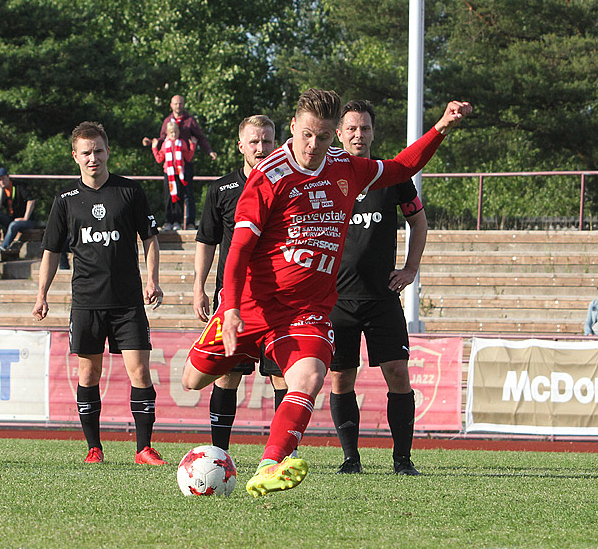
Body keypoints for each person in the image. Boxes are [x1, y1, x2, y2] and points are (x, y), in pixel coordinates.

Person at [181, 89, 471, 497]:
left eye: (322, 137)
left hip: (307, 309)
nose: (314, 146)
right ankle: (244, 348)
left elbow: (404, 165)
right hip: (252, 304)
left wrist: (440, 127)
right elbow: (241, 248)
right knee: (192, 379)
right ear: (294, 129)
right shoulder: (268, 177)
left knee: (311, 376)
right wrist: (229, 307)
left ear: (332, 135)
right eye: (307, 136)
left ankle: (268, 465)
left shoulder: (346, 168)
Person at [32, 121, 166, 466]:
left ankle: (143, 449)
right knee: (88, 375)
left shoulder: (129, 191)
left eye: (99, 151)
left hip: (127, 302)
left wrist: (153, 279)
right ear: (75, 156)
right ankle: (94, 448)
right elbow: (50, 250)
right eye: (87, 152)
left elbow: (150, 239)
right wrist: (41, 295)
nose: (94, 158)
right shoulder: (65, 200)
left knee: (140, 372)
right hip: (87, 302)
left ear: (108, 152)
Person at [328, 100, 428, 476]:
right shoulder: (327, 176)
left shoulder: (391, 176)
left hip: (382, 297)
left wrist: (410, 269)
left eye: (365, 128)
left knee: (398, 374)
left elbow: (419, 223)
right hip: (338, 299)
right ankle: (351, 459)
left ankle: (402, 460)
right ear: (339, 133)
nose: (359, 135)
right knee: (341, 377)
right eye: (351, 128)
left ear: (373, 132)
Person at [193, 114, 287, 450]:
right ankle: (219, 452)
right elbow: (206, 240)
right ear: (240, 146)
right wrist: (199, 287)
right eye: (254, 142)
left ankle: (280, 456)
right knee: (227, 375)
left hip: (278, 299)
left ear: (276, 143)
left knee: (281, 376)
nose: (261, 149)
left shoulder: (288, 185)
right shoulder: (221, 189)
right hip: (235, 301)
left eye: (267, 141)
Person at [142, 95, 217, 228]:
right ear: (171, 105)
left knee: (187, 194)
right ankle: (170, 220)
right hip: (170, 165)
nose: (178, 106)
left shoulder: (190, 121)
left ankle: (190, 222)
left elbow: (200, 137)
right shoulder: (167, 121)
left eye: (180, 103)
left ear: (183, 104)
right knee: (171, 193)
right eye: (175, 104)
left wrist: (209, 151)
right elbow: (162, 138)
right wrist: (152, 143)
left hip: (185, 162)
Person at [151, 121, 195, 231]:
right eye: (171, 133)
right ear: (167, 133)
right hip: (168, 173)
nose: (174, 135)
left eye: (175, 132)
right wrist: (154, 148)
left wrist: (192, 146)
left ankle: (177, 221)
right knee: (168, 198)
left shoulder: (182, 143)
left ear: (178, 132)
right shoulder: (165, 144)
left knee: (179, 197)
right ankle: (168, 221)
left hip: (179, 174)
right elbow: (159, 159)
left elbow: (188, 158)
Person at [0, 167, 37, 251]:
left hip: (27, 221)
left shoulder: (19, 186)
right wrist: (1, 190)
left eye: (3, 178)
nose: (2, 181)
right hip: (12, 219)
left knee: (13, 225)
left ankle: (3, 247)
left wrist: (25, 218)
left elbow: (31, 200)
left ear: (8, 177)